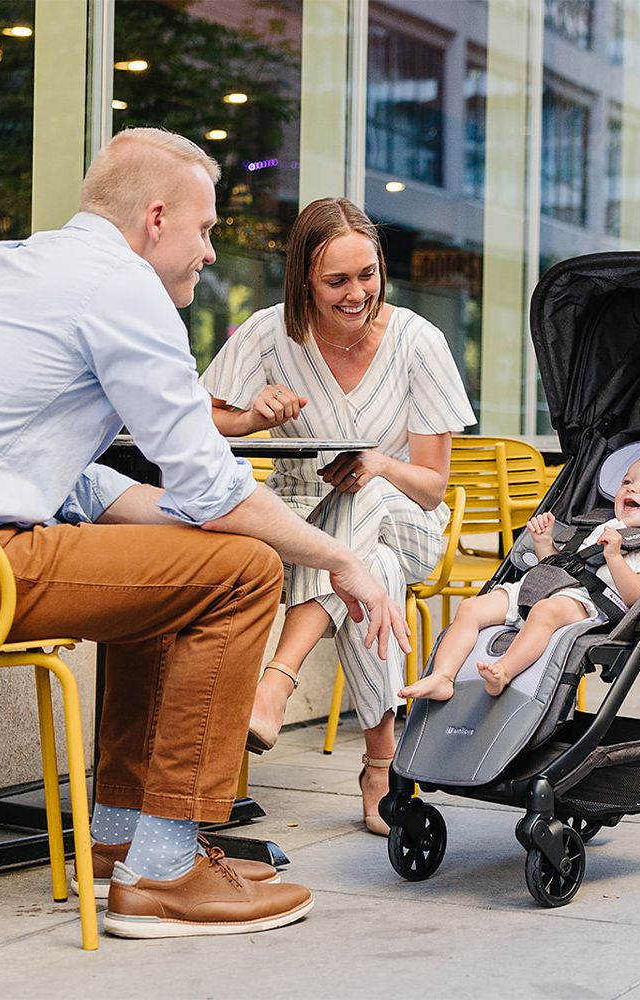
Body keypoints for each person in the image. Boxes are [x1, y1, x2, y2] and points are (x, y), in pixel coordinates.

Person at [0, 129, 410, 939]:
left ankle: (121, 837)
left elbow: (80, 481)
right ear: (155, 219)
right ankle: (166, 872)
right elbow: (212, 484)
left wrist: (195, 522)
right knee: (243, 570)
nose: (210, 252)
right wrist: (340, 559)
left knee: (187, 569)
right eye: (205, 229)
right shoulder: (120, 285)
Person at [200, 197, 475, 835]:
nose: (358, 294)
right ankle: (383, 765)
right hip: (297, 522)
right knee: (371, 569)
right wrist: (253, 416)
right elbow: (200, 421)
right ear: (304, 280)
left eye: (368, 275)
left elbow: (432, 486)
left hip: (408, 519)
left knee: (363, 495)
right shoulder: (268, 333)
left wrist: (377, 464)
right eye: (337, 281)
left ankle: (278, 680)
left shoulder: (418, 342)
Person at [400, 449, 640, 700]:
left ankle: (504, 671)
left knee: (546, 611)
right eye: (627, 481)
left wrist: (614, 558)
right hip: (543, 587)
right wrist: (544, 544)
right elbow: (561, 569)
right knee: (471, 608)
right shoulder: (601, 525)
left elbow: (639, 597)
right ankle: (443, 676)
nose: (631, 488)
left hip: (587, 603)